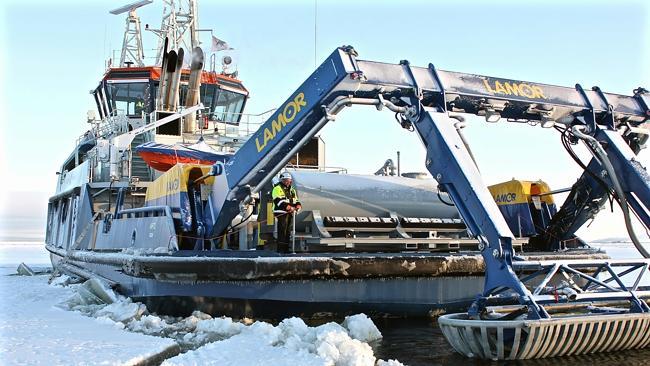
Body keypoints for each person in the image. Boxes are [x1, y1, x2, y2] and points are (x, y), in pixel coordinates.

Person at [272, 172, 302, 252]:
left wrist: (298, 205)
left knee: (288, 231)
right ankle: (281, 249)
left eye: (289, 181)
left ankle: (286, 248)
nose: (287, 182)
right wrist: (288, 207)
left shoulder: (292, 190)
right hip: (280, 212)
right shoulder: (277, 188)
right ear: (282, 180)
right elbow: (278, 201)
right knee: (282, 231)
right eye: (285, 180)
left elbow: (296, 200)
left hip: (289, 212)